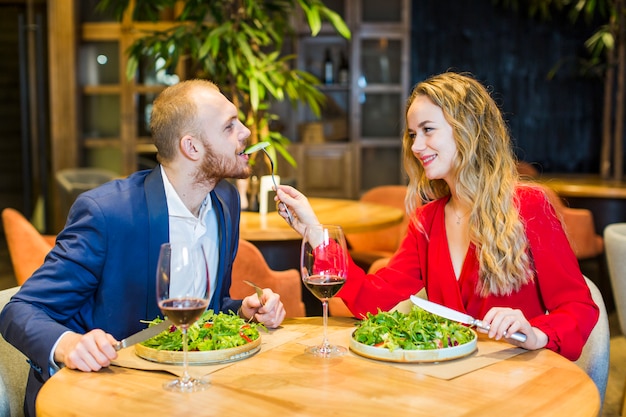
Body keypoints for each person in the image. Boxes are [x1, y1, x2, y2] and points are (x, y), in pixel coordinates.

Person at [0, 79, 286, 417]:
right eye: (229, 126)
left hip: (182, 390)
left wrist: (241, 310)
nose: (246, 133)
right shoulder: (108, 213)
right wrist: (71, 345)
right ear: (191, 147)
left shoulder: (224, 201)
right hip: (95, 394)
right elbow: (19, 311)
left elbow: (203, 306)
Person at [275, 71, 599, 361]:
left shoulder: (529, 207)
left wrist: (533, 331)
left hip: (518, 382)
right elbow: (372, 300)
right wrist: (315, 232)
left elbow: (579, 309)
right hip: (451, 385)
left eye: (428, 130)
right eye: (413, 134)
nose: (416, 146)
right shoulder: (427, 221)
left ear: (468, 130)